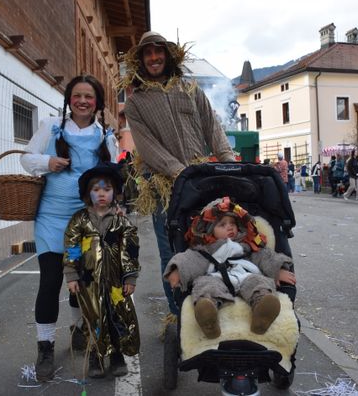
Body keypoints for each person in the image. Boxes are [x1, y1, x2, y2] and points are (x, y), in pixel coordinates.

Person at [122, 31, 236, 317]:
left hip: (201, 180)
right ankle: (180, 316)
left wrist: (229, 163)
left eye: (158, 51)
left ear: (168, 55)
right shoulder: (136, 102)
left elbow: (212, 127)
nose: (154, 57)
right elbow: (147, 147)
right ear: (141, 60)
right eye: (148, 53)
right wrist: (180, 172)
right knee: (171, 251)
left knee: (208, 244)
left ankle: (210, 305)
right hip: (163, 186)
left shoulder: (190, 89)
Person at [20, 74, 118, 381]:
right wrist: (47, 162)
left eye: (89, 96)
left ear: (97, 103)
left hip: (88, 221)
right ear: (69, 100)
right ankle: (45, 349)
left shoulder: (105, 136)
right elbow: (26, 159)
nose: (83, 101)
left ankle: (78, 331)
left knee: (84, 281)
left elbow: (114, 178)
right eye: (77, 95)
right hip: (51, 219)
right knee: (50, 282)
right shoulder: (51, 126)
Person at [163, 197, 296, 338]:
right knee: (205, 285)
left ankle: (262, 311)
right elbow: (191, 259)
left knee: (259, 283)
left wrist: (277, 269)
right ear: (210, 230)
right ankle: (208, 315)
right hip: (216, 277)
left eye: (233, 223)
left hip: (246, 275)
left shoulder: (247, 244)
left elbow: (265, 256)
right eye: (222, 224)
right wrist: (178, 270)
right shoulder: (206, 249)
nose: (230, 227)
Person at [64, 163, 140, 378]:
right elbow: (71, 247)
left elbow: (130, 249)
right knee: (93, 318)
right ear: (88, 194)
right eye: (96, 190)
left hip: (116, 282)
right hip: (88, 282)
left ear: (115, 192)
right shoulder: (80, 219)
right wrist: (71, 275)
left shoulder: (120, 221)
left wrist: (130, 277)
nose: (101, 194)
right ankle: (96, 357)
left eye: (106, 189)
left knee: (118, 317)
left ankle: (117, 356)